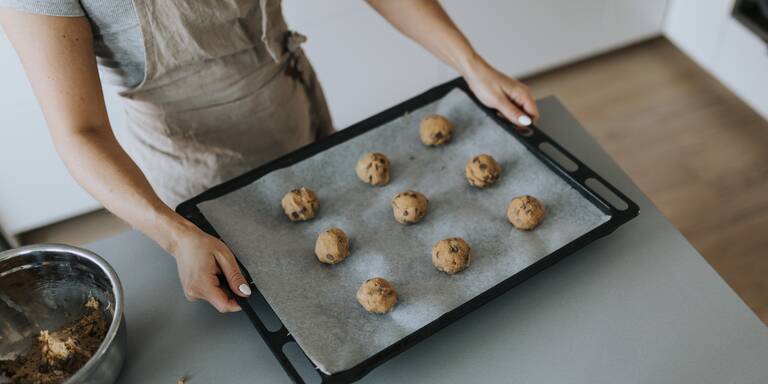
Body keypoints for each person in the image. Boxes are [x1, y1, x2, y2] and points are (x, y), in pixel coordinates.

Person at [0, 0, 539, 313]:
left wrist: (470, 63)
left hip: (297, 111)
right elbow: (81, 131)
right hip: (195, 167)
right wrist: (174, 234)